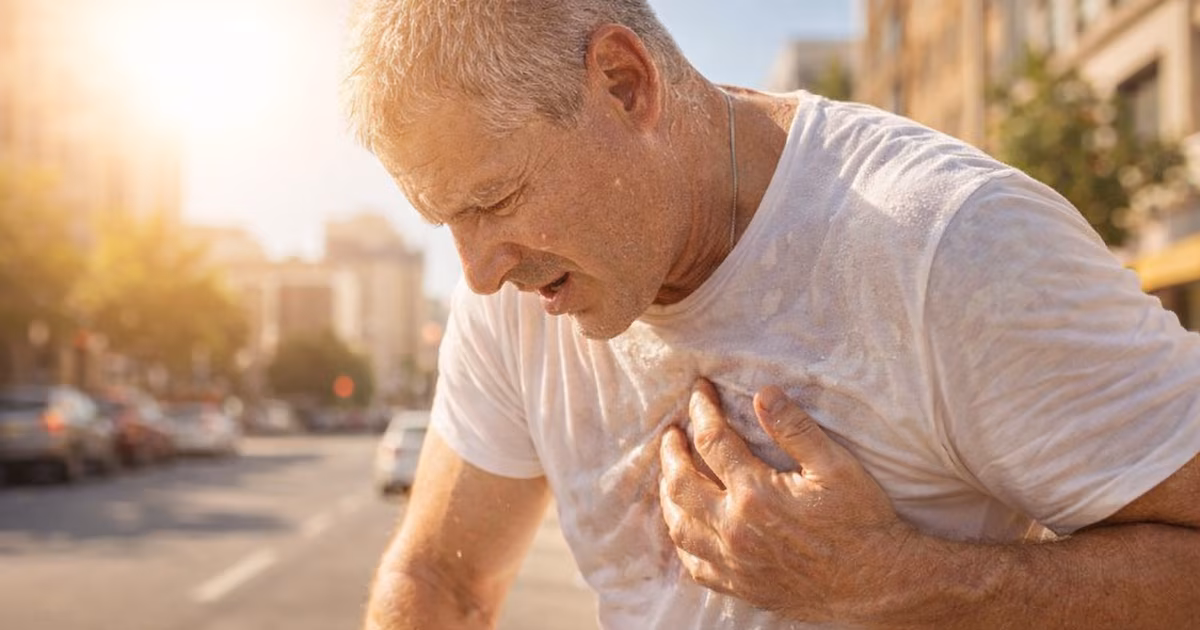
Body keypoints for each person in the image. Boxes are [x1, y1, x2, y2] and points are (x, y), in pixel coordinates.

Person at [344, 1, 1200, 628]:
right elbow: (438, 584)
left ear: (623, 81)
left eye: (495, 198)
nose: (479, 272)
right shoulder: (524, 284)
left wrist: (903, 582)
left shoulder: (953, 247)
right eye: (447, 219)